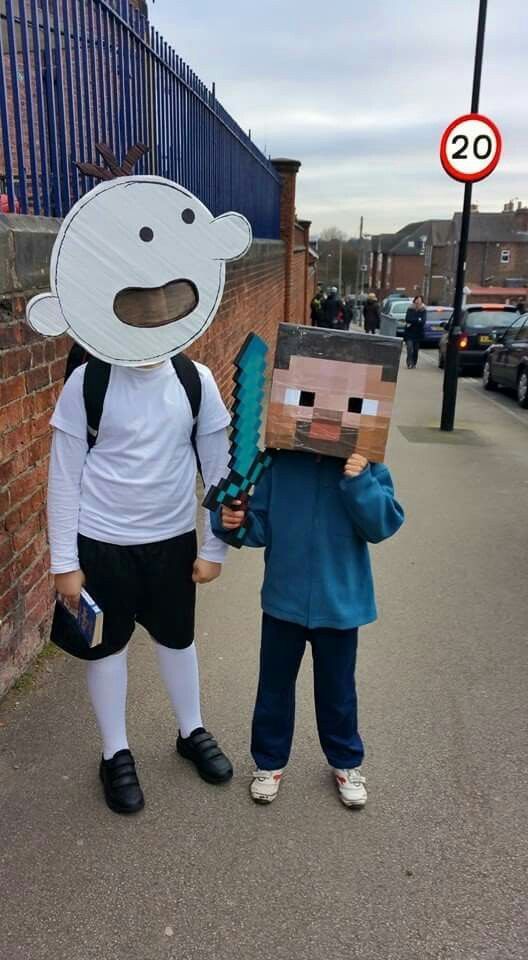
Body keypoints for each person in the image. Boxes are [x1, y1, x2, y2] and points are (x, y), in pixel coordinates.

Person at [212, 329, 404, 810]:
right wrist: (230, 522)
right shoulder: (280, 464)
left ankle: (344, 760)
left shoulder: (367, 464)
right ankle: (270, 760)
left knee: (338, 692)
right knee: (274, 687)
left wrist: (357, 482)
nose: (324, 415)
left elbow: (383, 525)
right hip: (284, 600)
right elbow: (257, 528)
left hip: (342, 605)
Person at [403, 295, 426, 368]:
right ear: (414, 300)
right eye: (417, 300)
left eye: (420, 300)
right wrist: (417, 320)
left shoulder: (423, 310)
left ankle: (414, 363)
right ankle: (409, 362)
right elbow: (407, 319)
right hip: (409, 332)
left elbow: (423, 321)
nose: (418, 301)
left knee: (415, 349)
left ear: (422, 301)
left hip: (418, 333)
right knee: (410, 348)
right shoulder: (410, 309)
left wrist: (414, 320)